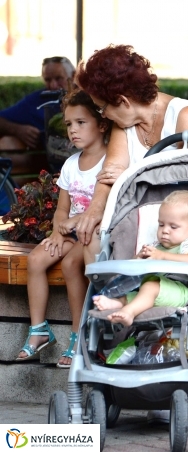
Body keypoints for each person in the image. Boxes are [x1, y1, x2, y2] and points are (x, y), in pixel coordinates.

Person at [69, 44, 188, 264]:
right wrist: (94, 211)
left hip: (183, 219)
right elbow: (109, 173)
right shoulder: (125, 124)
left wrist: (130, 176)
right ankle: (111, 296)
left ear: (123, 101)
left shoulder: (185, 115)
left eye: (102, 108)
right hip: (145, 213)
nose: (103, 115)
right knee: (92, 234)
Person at [15, 90, 110, 367]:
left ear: (102, 125)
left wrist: (69, 228)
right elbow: (62, 209)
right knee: (35, 259)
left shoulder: (109, 164)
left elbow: (104, 211)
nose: (73, 130)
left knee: (70, 265)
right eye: (69, 124)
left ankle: (77, 334)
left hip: (93, 234)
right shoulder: (71, 164)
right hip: (70, 233)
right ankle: (39, 330)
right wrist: (57, 233)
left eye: (81, 123)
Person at [92, 191, 188, 327]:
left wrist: (162, 256)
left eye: (173, 227)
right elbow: (135, 269)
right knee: (136, 290)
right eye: (161, 225)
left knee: (150, 284)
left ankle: (128, 312)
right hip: (149, 290)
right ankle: (118, 303)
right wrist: (138, 258)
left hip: (179, 291)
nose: (165, 230)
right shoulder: (156, 246)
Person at [0, 56, 75, 149]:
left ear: (73, 76)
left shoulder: (88, 98)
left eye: (59, 78)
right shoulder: (37, 100)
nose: (53, 85)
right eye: (48, 80)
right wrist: (17, 130)